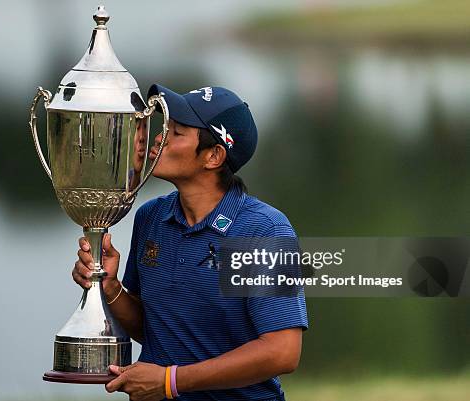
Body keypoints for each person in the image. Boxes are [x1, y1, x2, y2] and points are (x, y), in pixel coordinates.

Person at [72, 84, 308, 401]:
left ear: (213, 156)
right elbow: (155, 329)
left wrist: (171, 381)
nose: (159, 136)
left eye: (177, 131)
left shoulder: (264, 230)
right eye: (164, 126)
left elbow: (282, 352)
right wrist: (111, 288)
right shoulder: (151, 218)